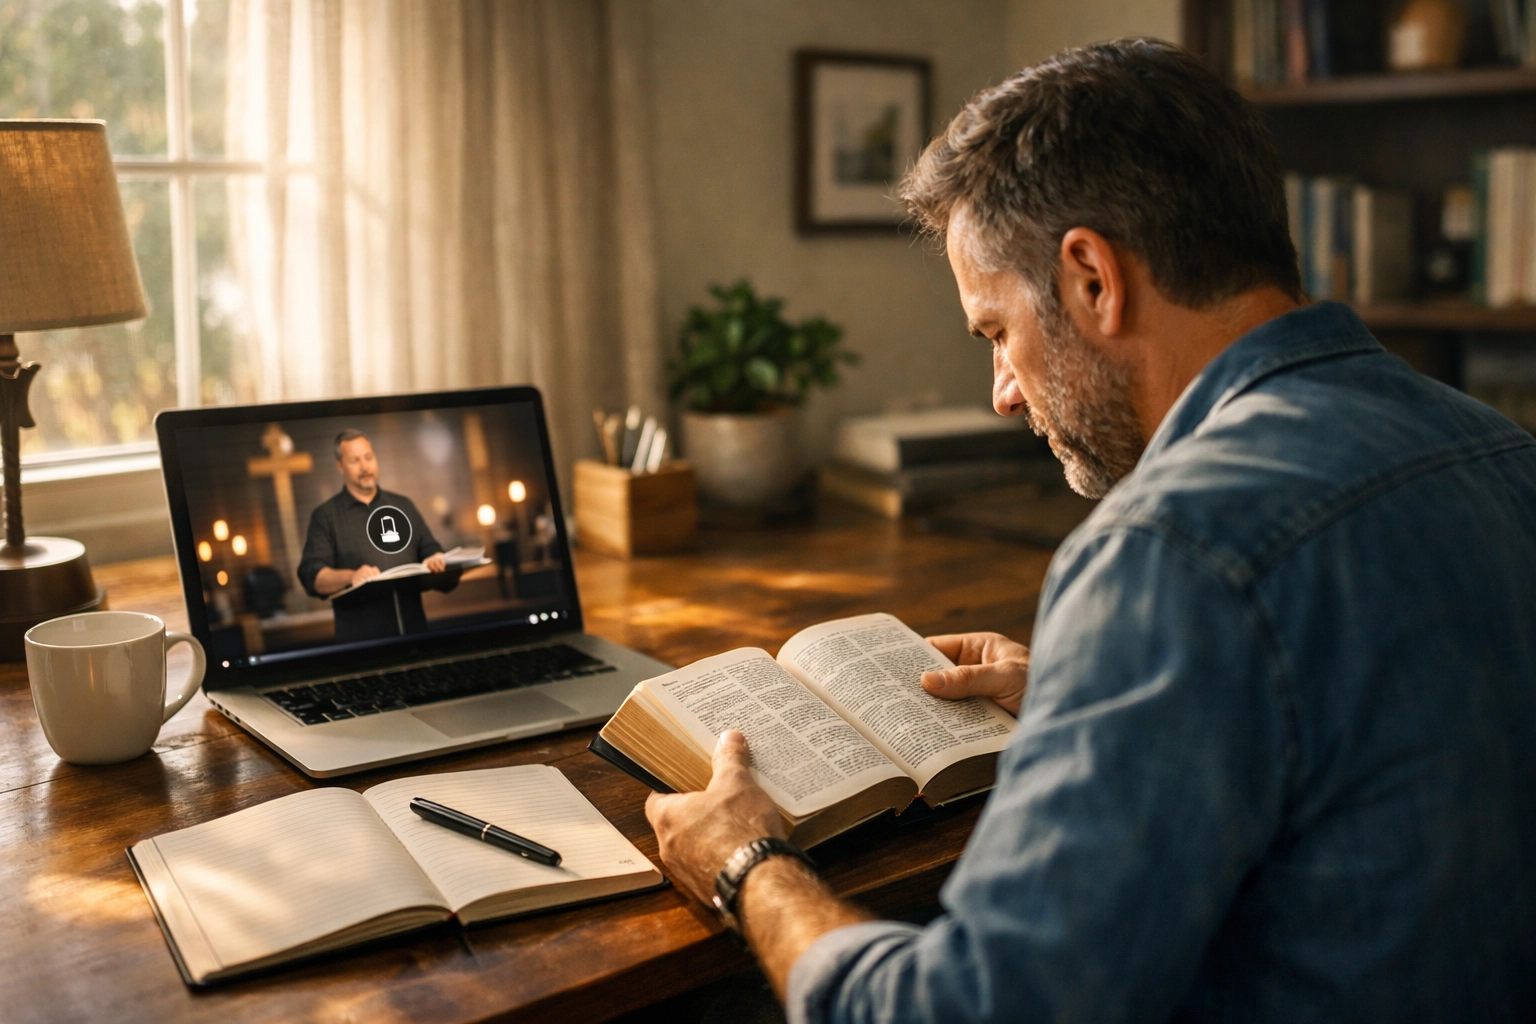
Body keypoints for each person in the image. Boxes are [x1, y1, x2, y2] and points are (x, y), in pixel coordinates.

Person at [644, 39, 1536, 1023]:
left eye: (995, 333)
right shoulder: (1500, 450)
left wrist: (749, 865)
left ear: (1092, 280)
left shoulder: (1167, 558)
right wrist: (1099, 691)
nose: (999, 394)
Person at [297, 429, 454, 644]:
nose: (365, 467)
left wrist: (436, 561)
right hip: (363, 651)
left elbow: (430, 550)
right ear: (340, 466)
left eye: (368, 457)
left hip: (417, 640)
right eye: (354, 460)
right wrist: (351, 577)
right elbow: (312, 576)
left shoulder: (402, 506)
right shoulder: (326, 516)